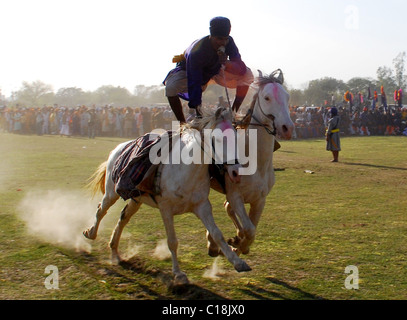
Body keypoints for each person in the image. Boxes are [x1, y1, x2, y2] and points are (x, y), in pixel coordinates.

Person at [163, 16, 253, 123]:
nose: (223, 43)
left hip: (215, 70)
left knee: (248, 75)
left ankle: (232, 114)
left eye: (225, 39)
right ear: (211, 36)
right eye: (219, 39)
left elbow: (241, 67)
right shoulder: (196, 51)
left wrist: (228, 63)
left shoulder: (229, 41)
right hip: (191, 72)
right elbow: (194, 82)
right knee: (170, 88)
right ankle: (183, 124)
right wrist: (198, 113)